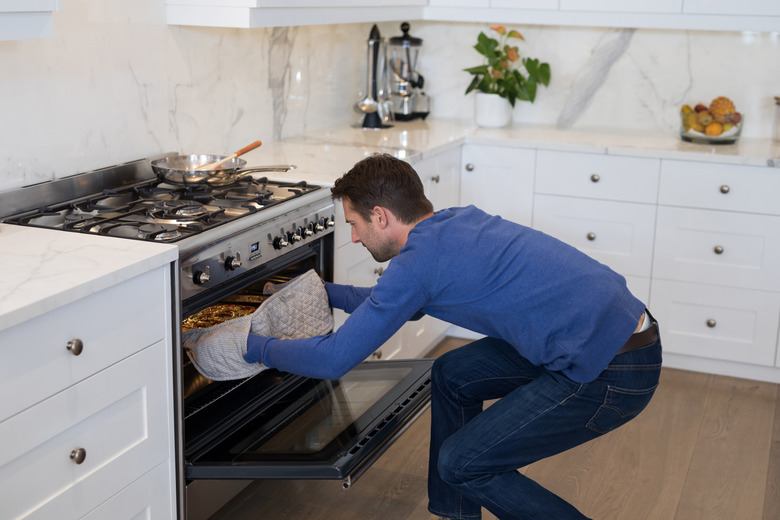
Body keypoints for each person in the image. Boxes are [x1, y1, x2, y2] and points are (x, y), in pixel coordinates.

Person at [244, 152, 662, 520]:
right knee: (453, 372)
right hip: (612, 333)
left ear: (381, 216)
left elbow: (333, 359)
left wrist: (250, 346)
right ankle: (456, 514)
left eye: (354, 224)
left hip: (611, 370)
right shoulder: (451, 225)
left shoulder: (417, 266)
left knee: (461, 463)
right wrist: (317, 291)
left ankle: (464, 485)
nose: (353, 237)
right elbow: (394, 302)